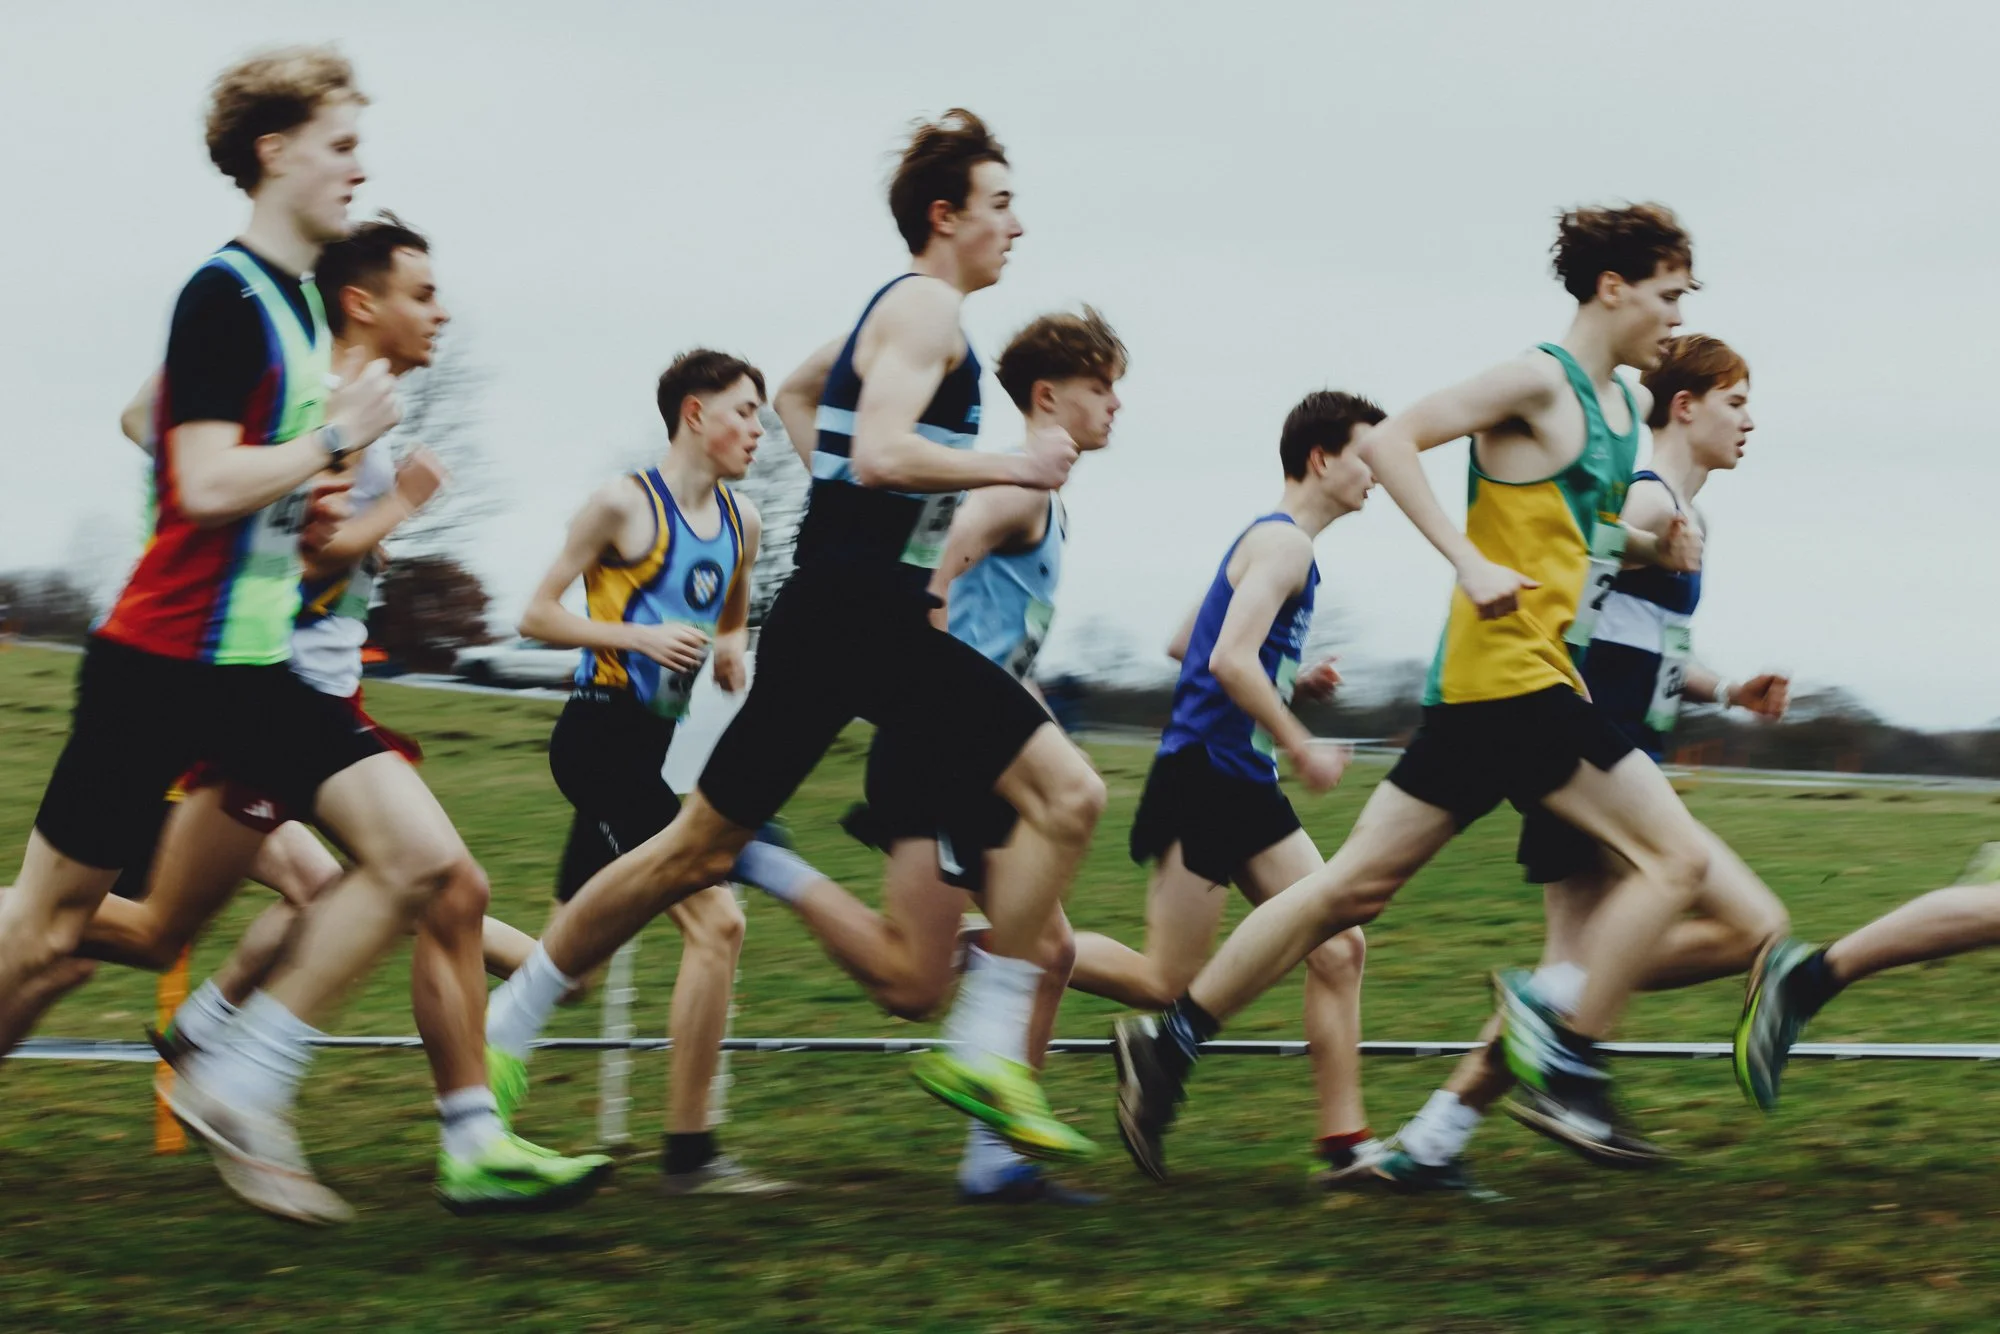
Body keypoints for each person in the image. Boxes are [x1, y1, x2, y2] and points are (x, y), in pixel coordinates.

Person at [0, 50, 599, 1223]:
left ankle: (243, 1071)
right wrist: (321, 451)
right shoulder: (222, 294)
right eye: (338, 145)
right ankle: (217, 1044)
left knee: (423, 859)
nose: (357, 166)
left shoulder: (287, 303)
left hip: (255, 669)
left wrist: (300, 492)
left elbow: (175, 429)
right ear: (273, 152)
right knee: (48, 935)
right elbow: (198, 470)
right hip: (158, 665)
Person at [483, 109, 1104, 1162]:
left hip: (840, 609)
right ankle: (987, 1043)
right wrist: (1010, 464)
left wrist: (838, 483)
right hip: (862, 615)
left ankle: (510, 1019)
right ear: (944, 215)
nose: (1016, 226)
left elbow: (806, 393)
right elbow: (877, 452)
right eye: (1000, 205)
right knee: (1070, 794)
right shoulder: (924, 310)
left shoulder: (896, 315)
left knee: (697, 846)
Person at [1110, 203, 1710, 1179]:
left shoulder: (1608, 416)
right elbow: (1393, 441)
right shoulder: (1537, 379)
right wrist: (1466, 558)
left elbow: (1575, 532)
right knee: (1674, 862)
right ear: (1612, 287)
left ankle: (1167, 1041)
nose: (1674, 319)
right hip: (1513, 682)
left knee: (1347, 889)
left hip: (1490, 689)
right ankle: (1562, 1058)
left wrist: (1649, 542)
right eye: (1668, 295)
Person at [1375, 333, 1793, 1192]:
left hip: (1606, 757)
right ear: (1686, 406)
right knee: (1752, 925)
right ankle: (1547, 1022)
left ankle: (1431, 1141)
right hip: (1589, 760)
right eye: (1737, 402)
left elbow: (1646, 641)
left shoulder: (1685, 510)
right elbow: (1577, 588)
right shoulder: (1644, 500)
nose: (1751, 421)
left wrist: (1726, 690)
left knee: (1575, 970)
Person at [753, 307, 1127, 1200]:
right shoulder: (1014, 490)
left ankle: (994, 1157)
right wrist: (943, 672)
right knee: (919, 985)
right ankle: (762, 860)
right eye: (1102, 386)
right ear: (1049, 396)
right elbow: (937, 571)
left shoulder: (1045, 499)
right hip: (948, 756)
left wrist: (1009, 696)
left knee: (1035, 954)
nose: (1116, 405)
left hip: (978, 750)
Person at [1071, 390, 1381, 1186]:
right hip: (1210, 776)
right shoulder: (1286, 549)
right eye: (1365, 455)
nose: (1377, 473)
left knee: (1340, 944)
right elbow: (1225, 661)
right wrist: (1300, 741)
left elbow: (1190, 640)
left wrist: (1291, 680)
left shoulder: (1268, 541)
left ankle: (1345, 1145)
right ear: (1320, 458)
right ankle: (999, 948)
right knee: (1163, 980)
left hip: (1234, 779)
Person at [510, 348, 791, 1196]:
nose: (758, 431)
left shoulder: (743, 522)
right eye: (744, 411)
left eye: (763, 415)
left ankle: (423, 916)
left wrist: (734, 648)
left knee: (573, 973)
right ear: (694, 415)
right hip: (597, 741)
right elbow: (535, 614)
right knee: (719, 924)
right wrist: (634, 639)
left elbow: (733, 599)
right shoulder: (622, 504)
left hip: (650, 750)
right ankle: (691, 1156)